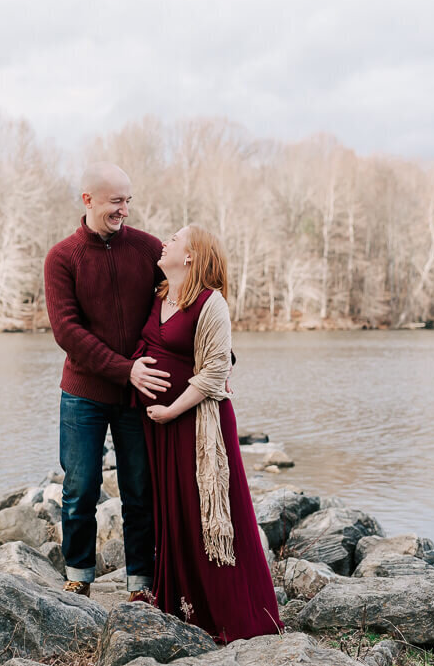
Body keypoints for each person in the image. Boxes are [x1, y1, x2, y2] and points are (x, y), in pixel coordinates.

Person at [135, 224, 283, 642]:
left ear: (192, 256)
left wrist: (171, 409)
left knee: (211, 516)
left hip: (198, 424)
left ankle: (231, 616)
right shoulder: (160, 295)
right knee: (174, 511)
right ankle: (181, 603)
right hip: (160, 426)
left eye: (176, 238)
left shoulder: (210, 303)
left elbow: (217, 370)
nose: (165, 242)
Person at [43, 162, 172, 599]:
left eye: (128, 200)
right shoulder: (62, 258)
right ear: (88, 200)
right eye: (117, 202)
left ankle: (140, 584)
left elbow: (185, 301)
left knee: (140, 490)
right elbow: (67, 332)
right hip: (84, 394)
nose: (125, 211)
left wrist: (216, 356)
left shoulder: (149, 249)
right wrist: (125, 369)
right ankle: (78, 577)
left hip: (140, 395)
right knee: (80, 489)